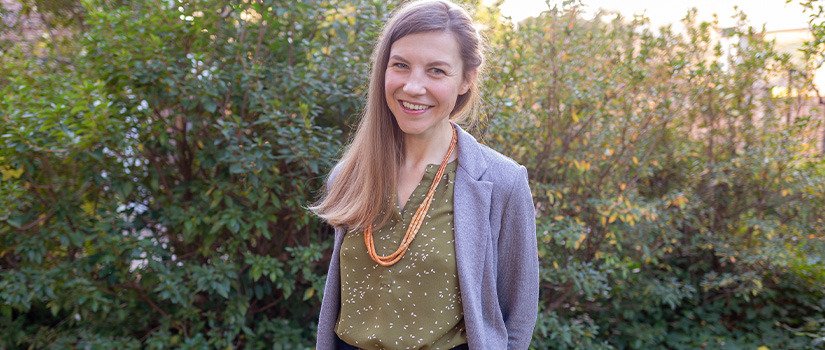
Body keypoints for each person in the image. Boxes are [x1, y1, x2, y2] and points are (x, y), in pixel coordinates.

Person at [310, 0, 538, 348]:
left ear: (466, 80)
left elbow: (517, 319)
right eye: (400, 65)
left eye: (436, 71)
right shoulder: (349, 175)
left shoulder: (502, 182)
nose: (414, 87)